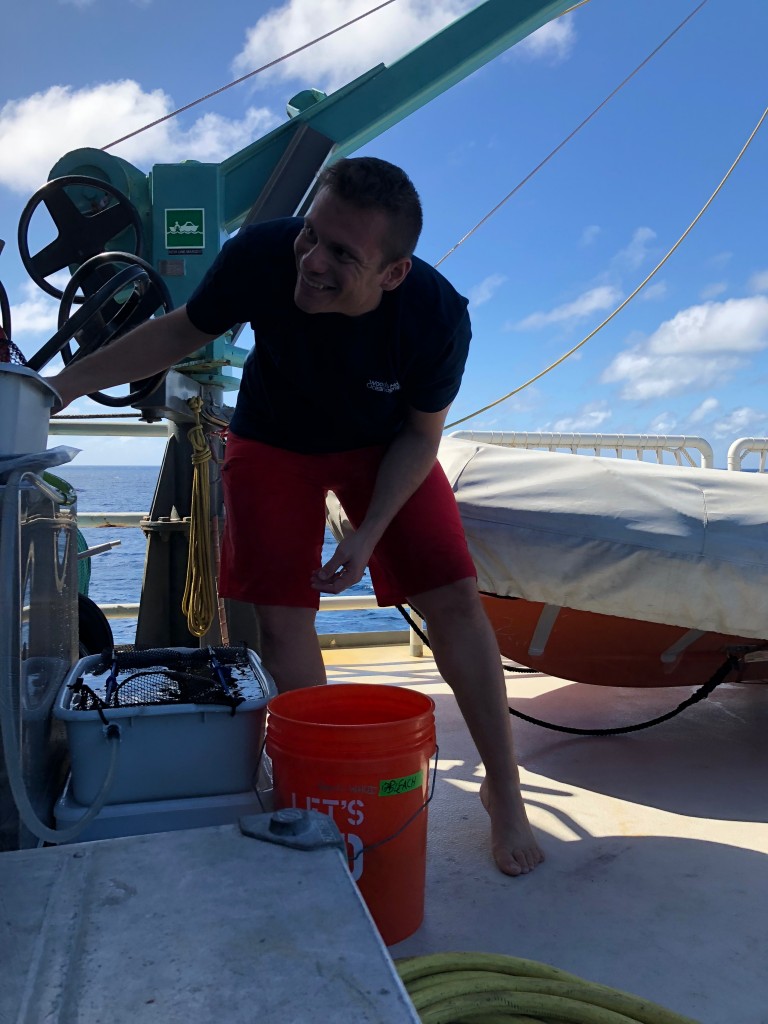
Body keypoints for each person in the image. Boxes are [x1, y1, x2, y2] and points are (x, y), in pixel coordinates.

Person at [51, 156, 543, 877]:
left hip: (382, 444)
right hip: (274, 437)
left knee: (455, 599)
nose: (311, 262)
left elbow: (421, 435)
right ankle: (325, 780)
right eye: (311, 236)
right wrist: (60, 385)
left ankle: (506, 791)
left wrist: (368, 532)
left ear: (393, 273)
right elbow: (180, 331)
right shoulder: (260, 254)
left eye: (342, 254)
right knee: (281, 618)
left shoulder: (437, 317)